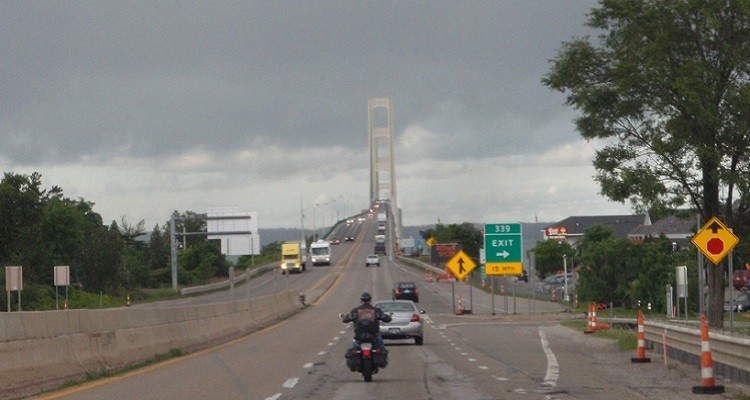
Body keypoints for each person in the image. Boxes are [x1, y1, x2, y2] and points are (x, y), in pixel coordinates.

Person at [340, 292, 392, 364]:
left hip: (359, 336)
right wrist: (388, 317)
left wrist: (344, 317)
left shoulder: (355, 311)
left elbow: (346, 319)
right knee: (381, 346)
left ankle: (356, 358)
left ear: (361, 300)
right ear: (370, 300)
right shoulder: (376, 310)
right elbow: (387, 319)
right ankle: (380, 360)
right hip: (374, 336)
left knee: (354, 346)